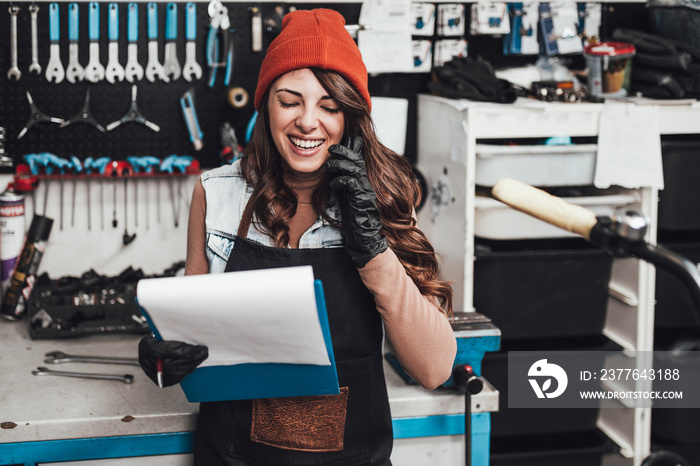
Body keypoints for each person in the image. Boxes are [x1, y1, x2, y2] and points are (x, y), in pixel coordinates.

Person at [139, 8, 457, 465]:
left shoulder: (382, 199)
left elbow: (434, 367)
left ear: (351, 116)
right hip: (231, 456)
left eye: (329, 106)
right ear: (265, 104)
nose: (308, 122)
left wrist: (371, 247)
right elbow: (195, 340)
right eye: (290, 101)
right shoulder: (217, 194)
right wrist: (165, 353)